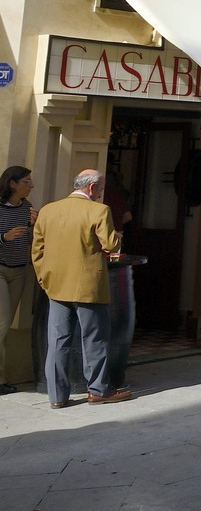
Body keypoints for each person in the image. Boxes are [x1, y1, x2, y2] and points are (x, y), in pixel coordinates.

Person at [32, 169, 127, 407]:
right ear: (92, 187)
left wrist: (44, 278)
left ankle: (57, 396)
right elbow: (111, 245)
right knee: (94, 339)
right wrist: (118, 236)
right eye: (100, 188)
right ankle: (98, 390)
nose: (101, 193)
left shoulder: (48, 210)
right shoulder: (99, 210)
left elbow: (37, 250)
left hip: (56, 285)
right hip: (89, 287)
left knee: (58, 341)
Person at [0, 166, 38, 395]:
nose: (31, 185)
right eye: (27, 181)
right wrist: (4, 237)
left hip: (19, 271)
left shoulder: (27, 208)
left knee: (5, 326)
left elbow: (31, 240)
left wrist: (34, 226)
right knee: (2, 323)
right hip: (0, 270)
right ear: (12, 184)